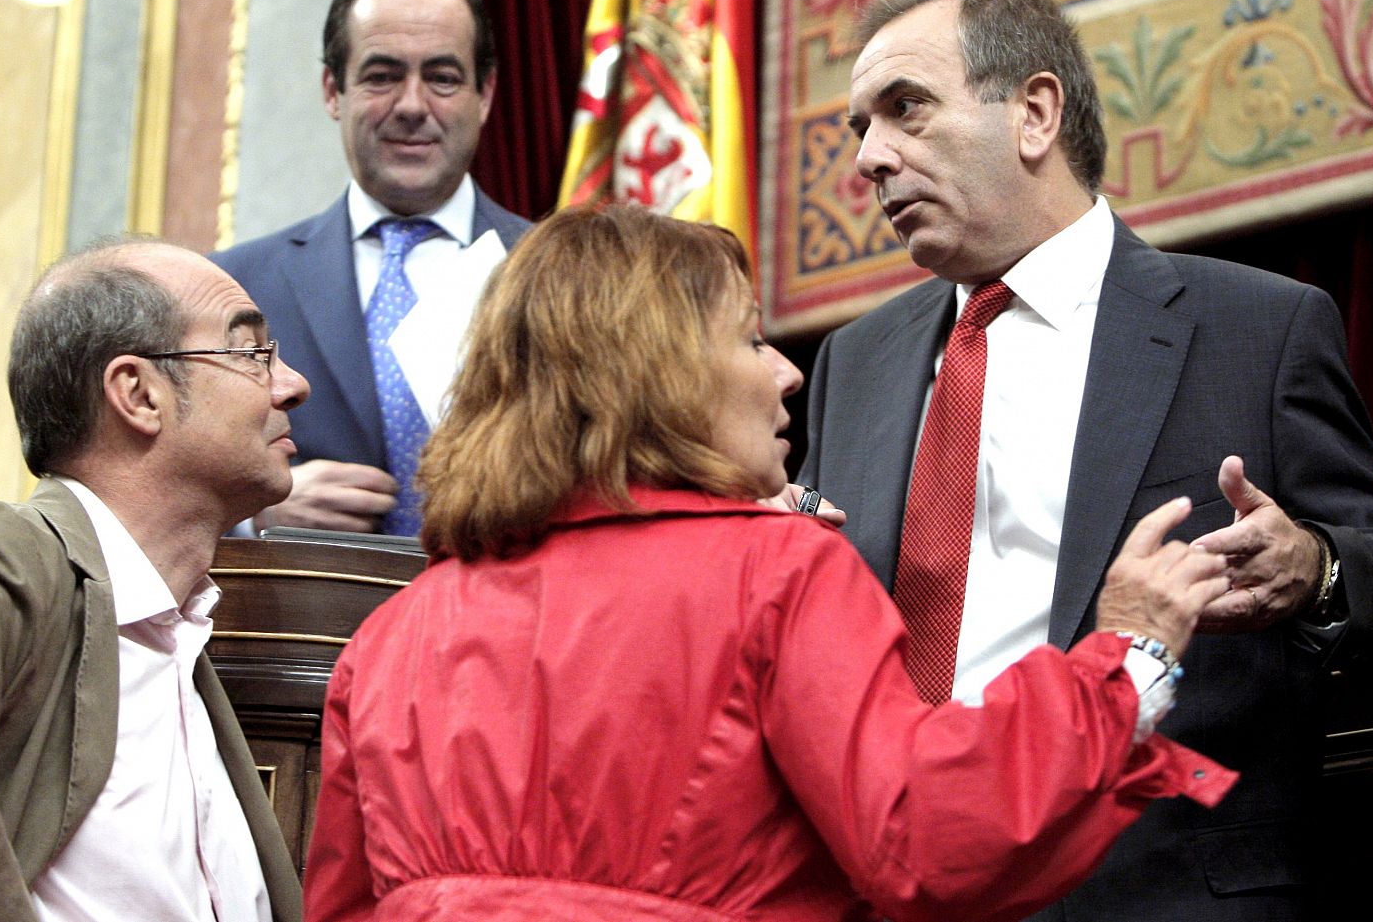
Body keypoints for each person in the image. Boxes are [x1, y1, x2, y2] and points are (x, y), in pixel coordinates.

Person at [302, 205, 1239, 922]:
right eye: (750, 337)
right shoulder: (778, 573)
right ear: (659, 371)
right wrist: (1127, 658)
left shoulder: (389, 633)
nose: (787, 371)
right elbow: (923, 832)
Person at [800, 0, 1373, 920]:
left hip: (1159, 888)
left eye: (905, 109)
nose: (870, 157)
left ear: (1034, 113)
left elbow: (1371, 568)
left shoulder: (1258, 329)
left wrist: (1313, 568)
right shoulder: (851, 363)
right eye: (860, 127)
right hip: (893, 889)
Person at [0, 240, 309, 921]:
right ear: (138, 394)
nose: (291, 383)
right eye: (251, 352)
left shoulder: (177, 634)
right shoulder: (11, 549)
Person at [216, 0, 530, 537]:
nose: (412, 106)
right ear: (333, 89)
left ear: (485, 94)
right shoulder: (233, 286)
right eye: (382, 76)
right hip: (306, 623)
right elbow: (160, 486)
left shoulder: (559, 276)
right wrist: (256, 513)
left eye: (442, 77)